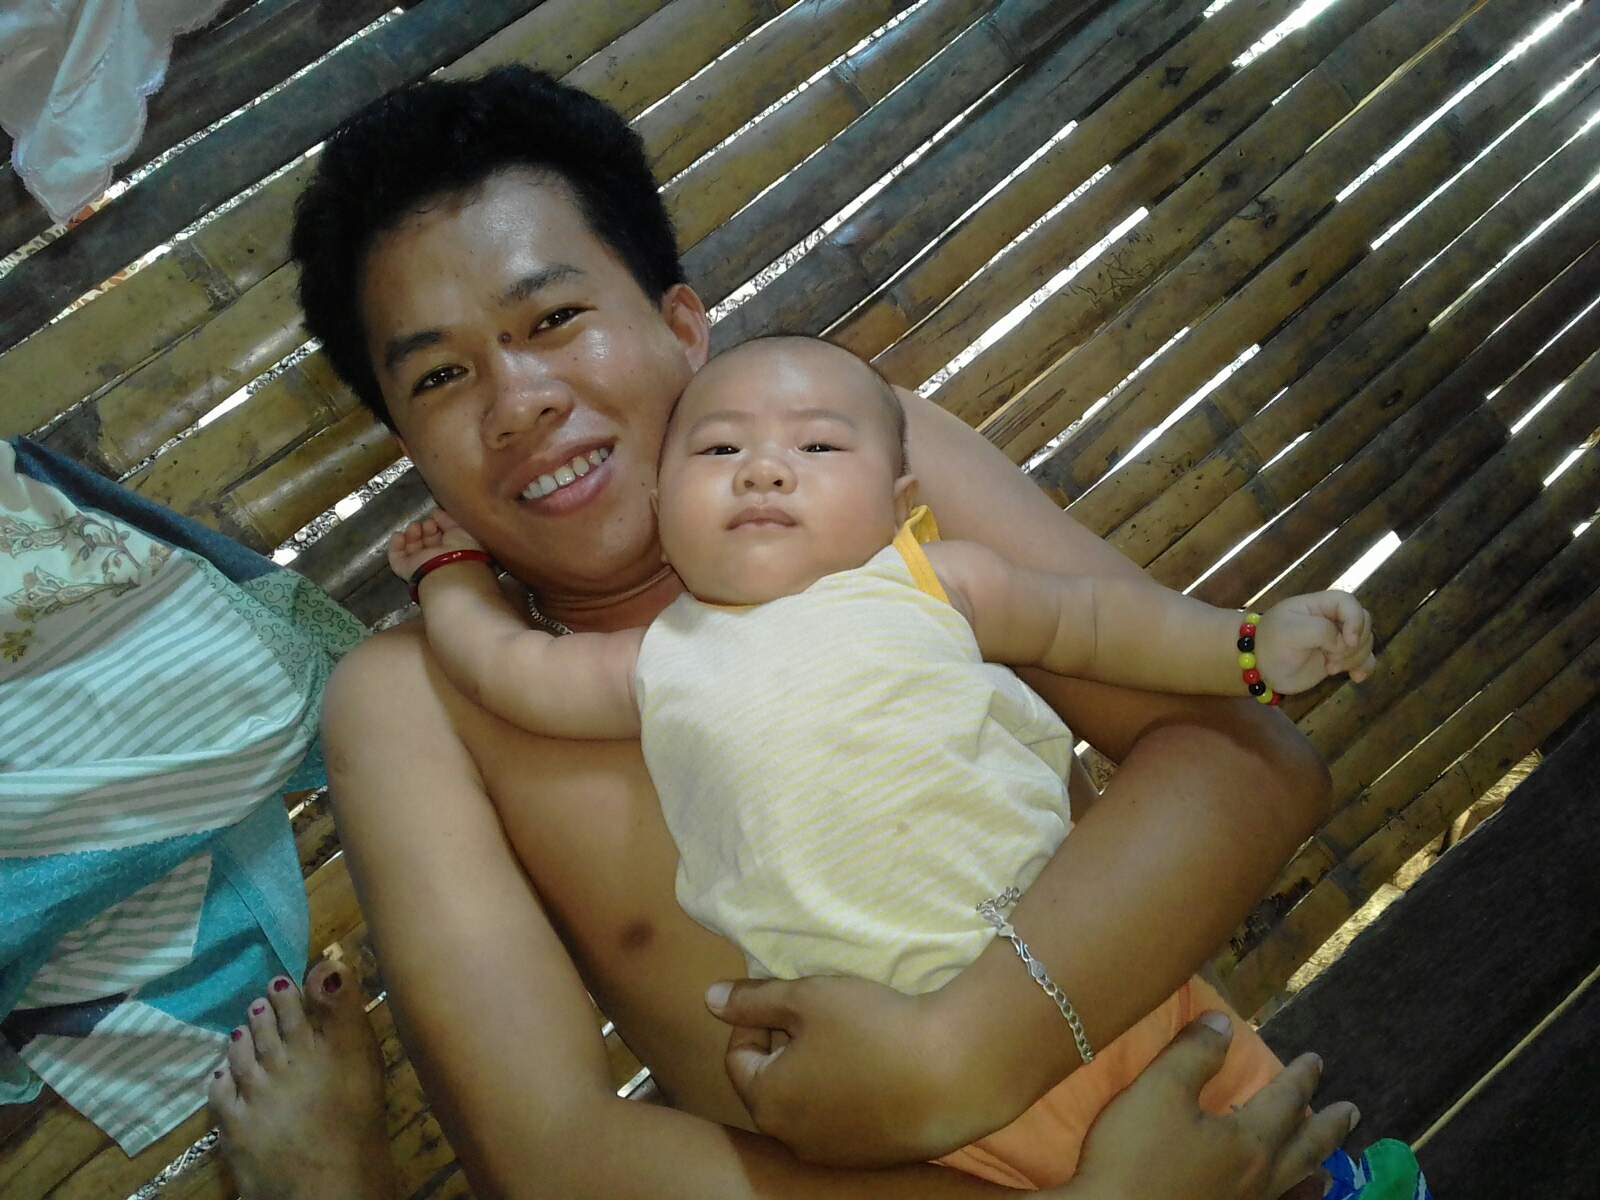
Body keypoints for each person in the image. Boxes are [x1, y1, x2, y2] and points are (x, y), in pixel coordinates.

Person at [209, 66, 1358, 1198]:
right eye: (440, 377)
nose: (518, 402)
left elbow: (1246, 763)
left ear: (680, 328)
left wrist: (960, 1055)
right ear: (408, 445)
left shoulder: (865, 476)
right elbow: (551, 1154)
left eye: (554, 319)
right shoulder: (420, 703)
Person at [386, 332, 1377, 1189]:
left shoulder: (929, 581)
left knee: (1260, 1147)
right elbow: (508, 667)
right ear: (660, 501)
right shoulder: (657, 664)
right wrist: (450, 577)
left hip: (1096, 974)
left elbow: (1103, 623)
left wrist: (1247, 647)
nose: (764, 471)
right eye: (720, 449)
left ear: (900, 498)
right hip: (890, 1088)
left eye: (817, 447)